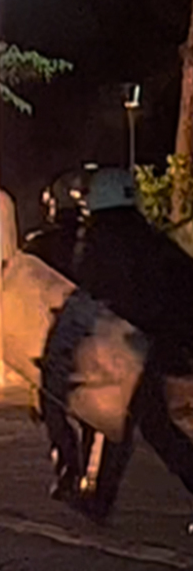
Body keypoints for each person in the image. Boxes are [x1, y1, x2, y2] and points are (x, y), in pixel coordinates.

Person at [56, 167, 193, 523]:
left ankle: (99, 501)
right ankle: (99, 501)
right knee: (132, 424)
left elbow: (90, 293)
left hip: (126, 349)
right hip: (155, 346)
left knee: (143, 426)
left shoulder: (101, 240)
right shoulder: (151, 240)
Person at [23, 168, 100, 502]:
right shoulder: (98, 241)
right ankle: (83, 471)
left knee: (52, 403)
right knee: (91, 410)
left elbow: (24, 288)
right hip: (97, 335)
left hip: (57, 335)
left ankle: (69, 464)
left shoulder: (40, 245)